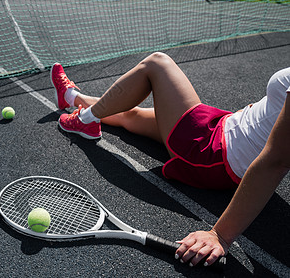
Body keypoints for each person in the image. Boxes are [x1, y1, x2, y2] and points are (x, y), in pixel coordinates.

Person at [50, 52, 290, 266]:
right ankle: (70, 97)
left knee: (157, 63)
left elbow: (276, 160)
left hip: (211, 149)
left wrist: (220, 235)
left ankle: (84, 121)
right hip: (224, 128)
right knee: (129, 116)